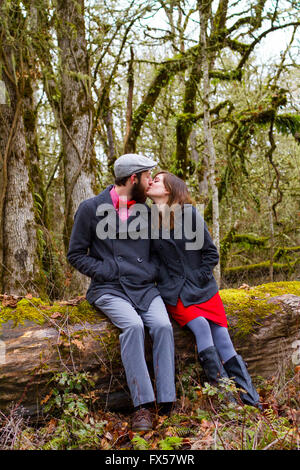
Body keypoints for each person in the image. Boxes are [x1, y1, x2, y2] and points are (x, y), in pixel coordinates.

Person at [67, 155, 176, 431]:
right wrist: (106, 270)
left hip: (144, 288)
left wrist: (156, 276)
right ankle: (142, 407)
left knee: (163, 326)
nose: (150, 181)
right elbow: (76, 255)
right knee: (134, 325)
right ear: (133, 179)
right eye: (147, 176)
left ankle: (166, 401)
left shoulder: (148, 212)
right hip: (109, 288)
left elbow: (159, 254)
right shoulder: (91, 208)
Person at [146, 171, 261, 409]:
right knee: (200, 326)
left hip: (203, 289)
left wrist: (197, 278)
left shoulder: (189, 215)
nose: (151, 181)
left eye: (157, 179)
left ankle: (251, 401)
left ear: (169, 188)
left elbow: (211, 254)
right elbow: (154, 261)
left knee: (223, 338)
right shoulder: (149, 222)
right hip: (175, 293)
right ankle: (227, 402)